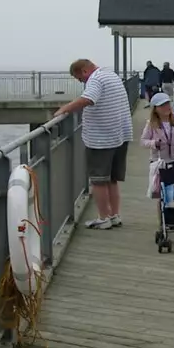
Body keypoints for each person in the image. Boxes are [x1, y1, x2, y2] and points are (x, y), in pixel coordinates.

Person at [55, 57, 134, 229]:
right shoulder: (110, 75)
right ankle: (114, 215)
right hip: (120, 135)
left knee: (98, 180)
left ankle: (103, 218)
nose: (81, 82)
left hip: (102, 139)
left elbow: (88, 99)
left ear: (84, 71)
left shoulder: (96, 79)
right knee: (112, 179)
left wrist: (64, 108)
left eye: (80, 78)